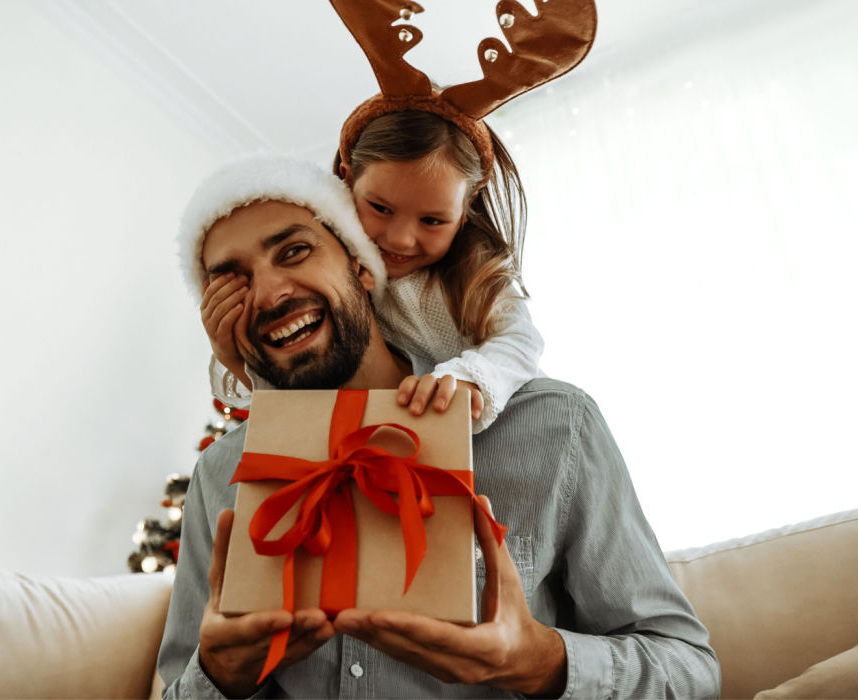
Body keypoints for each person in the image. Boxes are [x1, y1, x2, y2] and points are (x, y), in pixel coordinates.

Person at [161, 153, 721, 698]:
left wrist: (536, 661)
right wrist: (218, 676)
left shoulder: (554, 426)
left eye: (295, 251)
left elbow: (690, 671)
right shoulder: (221, 474)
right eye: (230, 282)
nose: (270, 294)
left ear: (361, 263)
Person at [201, 111, 543, 434]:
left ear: (465, 212)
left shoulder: (478, 277)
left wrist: (472, 379)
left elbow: (520, 341)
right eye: (381, 208)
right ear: (346, 183)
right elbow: (294, 384)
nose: (400, 239)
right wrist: (231, 356)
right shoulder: (339, 282)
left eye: (432, 221)